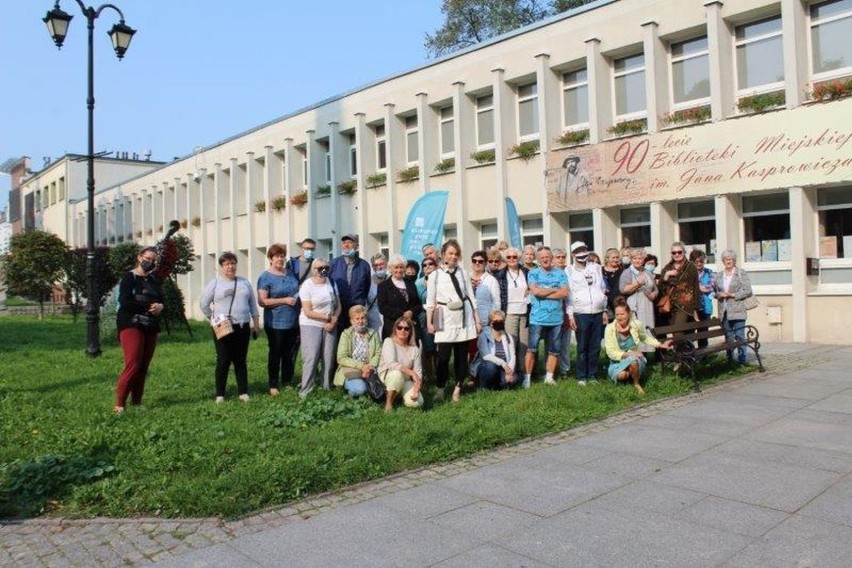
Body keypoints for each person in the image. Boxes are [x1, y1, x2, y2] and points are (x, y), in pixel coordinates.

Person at [200, 252, 260, 403]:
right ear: (221, 266)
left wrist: (256, 323)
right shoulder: (215, 283)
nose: (230, 267)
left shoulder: (244, 282)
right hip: (223, 325)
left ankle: (243, 391)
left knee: (240, 359)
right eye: (227, 264)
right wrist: (213, 318)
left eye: (233, 263)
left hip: (242, 326)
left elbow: (253, 303)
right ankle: (220, 394)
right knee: (223, 360)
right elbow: (204, 304)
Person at [426, 239, 481, 402]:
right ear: (443, 255)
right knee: (443, 357)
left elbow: (471, 297)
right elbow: (430, 301)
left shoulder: (463, 273)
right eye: (451, 253)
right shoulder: (434, 275)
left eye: (456, 254)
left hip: (463, 317)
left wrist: (477, 320)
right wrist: (430, 322)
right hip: (445, 318)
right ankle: (441, 388)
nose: (454, 256)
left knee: (461, 356)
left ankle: (458, 388)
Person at [113, 246, 165, 414]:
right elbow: (125, 301)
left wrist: (160, 306)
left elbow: (161, 299)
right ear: (140, 257)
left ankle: (137, 402)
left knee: (143, 365)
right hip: (130, 323)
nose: (150, 262)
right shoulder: (129, 277)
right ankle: (120, 404)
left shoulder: (153, 279)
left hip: (150, 324)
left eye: (153, 260)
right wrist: (148, 306)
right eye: (148, 258)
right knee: (133, 363)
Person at [256, 243, 300, 395]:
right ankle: (273, 384)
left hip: (293, 322)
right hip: (275, 323)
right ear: (270, 258)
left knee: (289, 354)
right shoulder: (265, 277)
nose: (280, 259)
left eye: (282, 256)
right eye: (277, 256)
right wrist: (284, 300)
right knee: (276, 353)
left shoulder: (291, 273)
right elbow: (262, 301)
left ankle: (287, 381)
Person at [605, 297, 672, 394]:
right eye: (617, 314)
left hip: (636, 359)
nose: (620, 317)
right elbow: (610, 352)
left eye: (622, 314)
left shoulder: (636, 325)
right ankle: (629, 375)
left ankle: (636, 384)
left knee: (634, 360)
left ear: (628, 314)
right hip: (617, 361)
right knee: (622, 376)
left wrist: (660, 345)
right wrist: (630, 353)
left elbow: (645, 338)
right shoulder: (609, 329)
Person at [525, 246, 569, 388]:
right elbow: (536, 292)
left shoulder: (560, 273)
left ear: (551, 258)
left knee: (554, 350)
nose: (545, 259)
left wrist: (545, 291)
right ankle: (527, 378)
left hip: (556, 318)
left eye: (547, 257)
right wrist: (554, 289)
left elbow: (564, 293)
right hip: (537, 318)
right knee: (532, 349)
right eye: (542, 257)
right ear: (538, 259)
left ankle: (549, 377)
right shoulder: (533, 273)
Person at [565, 241, 608, 386]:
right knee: (582, 346)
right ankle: (581, 376)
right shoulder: (569, 271)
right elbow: (569, 295)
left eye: (584, 249)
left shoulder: (596, 267)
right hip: (580, 312)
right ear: (573, 254)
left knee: (595, 346)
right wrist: (570, 315)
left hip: (597, 311)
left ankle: (593, 375)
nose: (582, 253)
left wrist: (604, 309)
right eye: (578, 251)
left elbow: (602, 289)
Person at [298, 259, 342, 397]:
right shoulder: (307, 285)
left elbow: (338, 305)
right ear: (313, 269)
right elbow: (308, 311)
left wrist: (334, 320)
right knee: (311, 357)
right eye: (319, 268)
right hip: (311, 323)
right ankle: (306, 390)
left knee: (328, 357)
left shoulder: (331, 282)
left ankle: (325, 387)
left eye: (326, 267)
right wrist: (328, 318)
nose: (323, 270)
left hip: (330, 323)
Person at [714, 249, 754, 365]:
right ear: (723, 261)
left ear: (734, 260)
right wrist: (719, 295)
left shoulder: (741, 273)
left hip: (738, 310)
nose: (728, 261)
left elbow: (748, 291)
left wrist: (733, 295)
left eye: (730, 259)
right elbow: (715, 291)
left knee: (740, 336)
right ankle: (730, 360)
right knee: (729, 337)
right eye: (726, 259)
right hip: (724, 311)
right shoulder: (719, 275)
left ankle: (742, 361)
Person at [333, 305, 381, 397]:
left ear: (366, 319)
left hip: (370, 370)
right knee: (360, 389)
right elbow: (341, 358)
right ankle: (350, 393)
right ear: (351, 321)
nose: (360, 321)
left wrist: (369, 367)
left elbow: (378, 353)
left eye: (363, 318)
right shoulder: (346, 334)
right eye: (357, 318)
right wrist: (362, 366)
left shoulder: (373, 333)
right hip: (352, 370)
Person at [495, 247, 529, 374]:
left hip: (525, 313)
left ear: (519, 257)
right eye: (508, 257)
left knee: (524, 346)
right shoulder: (500, 275)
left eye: (514, 257)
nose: (512, 259)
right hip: (509, 313)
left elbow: (532, 288)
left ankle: (524, 373)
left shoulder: (526, 272)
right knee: (511, 345)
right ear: (505, 259)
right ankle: (510, 373)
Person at [378, 316, 424, 411]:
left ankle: (397, 394)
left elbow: (418, 372)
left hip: (406, 380)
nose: (403, 330)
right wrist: (411, 373)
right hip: (389, 375)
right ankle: (389, 403)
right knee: (397, 375)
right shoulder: (389, 341)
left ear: (410, 331)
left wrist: (416, 388)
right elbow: (391, 363)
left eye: (406, 328)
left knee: (417, 403)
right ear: (395, 329)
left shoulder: (414, 349)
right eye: (400, 327)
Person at [328, 234, 371, 332]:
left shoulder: (364, 265)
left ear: (357, 245)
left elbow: (366, 287)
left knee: (356, 336)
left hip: (356, 309)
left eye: (350, 242)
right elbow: (328, 284)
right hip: (338, 309)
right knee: (339, 338)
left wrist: (361, 302)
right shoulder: (333, 264)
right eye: (344, 243)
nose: (346, 245)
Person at [618, 248, 659, 351]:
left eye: (640, 258)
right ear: (631, 259)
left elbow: (655, 289)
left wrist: (653, 295)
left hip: (647, 307)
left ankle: (645, 360)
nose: (637, 261)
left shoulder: (647, 273)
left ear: (643, 260)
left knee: (646, 332)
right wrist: (637, 284)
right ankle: (635, 361)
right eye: (635, 258)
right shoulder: (627, 273)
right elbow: (623, 290)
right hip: (634, 307)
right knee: (635, 333)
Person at [377, 253, 423, 339]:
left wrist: (411, 312)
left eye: (401, 267)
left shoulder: (410, 283)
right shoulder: (383, 286)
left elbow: (418, 304)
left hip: (411, 328)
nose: (399, 270)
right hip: (393, 328)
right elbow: (383, 308)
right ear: (390, 269)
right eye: (396, 267)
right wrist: (402, 314)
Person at [470, 310, 516, 389]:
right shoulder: (484, 335)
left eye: (501, 321)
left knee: (512, 380)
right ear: (491, 323)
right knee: (490, 367)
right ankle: (482, 386)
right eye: (496, 321)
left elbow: (512, 355)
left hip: (503, 368)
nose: (499, 322)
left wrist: (510, 371)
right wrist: (504, 364)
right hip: (487, 365)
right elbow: (486, 356)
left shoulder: (508, 337)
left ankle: (495, 385)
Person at [658, 241, 700, 326]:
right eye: (674, 253)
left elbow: (696, 288)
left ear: (684, 252)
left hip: (686, 306)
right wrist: (666, 276)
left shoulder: (691, 267)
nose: (677, 254)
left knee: (678, 331)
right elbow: (661, 288)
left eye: (679, 252)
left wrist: (696, 309)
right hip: (670, 305)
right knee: (676, 332)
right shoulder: (667, 268)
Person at [415, 257, 439, 381]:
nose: (428, 266)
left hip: (440, 316)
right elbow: (415, 302)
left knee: (440, 348)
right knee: (428, 348)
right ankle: (429, 376)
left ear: (436, 266)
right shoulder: (418, 284)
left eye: (431, 264)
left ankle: (440, 373)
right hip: (424, 319)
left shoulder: (442, 280)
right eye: (425, 265)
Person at [469, 250, 500, 326]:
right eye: (474, 261)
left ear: (485, 263)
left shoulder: (491, 280)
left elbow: (496, 303)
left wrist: (492, 319)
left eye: (480, 261)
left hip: (485, 321)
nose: (477, 263)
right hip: (469, 321)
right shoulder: (466, 278)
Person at [691, 250, 715, 349]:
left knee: (703, 332)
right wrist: (701, 288)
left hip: (705, 306)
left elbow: (712, 286)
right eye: (696, 262)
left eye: (701, 261)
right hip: (692, 308)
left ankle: (703, 355)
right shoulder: (689, 273)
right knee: (691, 332)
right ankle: (690, 355)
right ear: (692, 262)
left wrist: (700, 288)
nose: (699, 264)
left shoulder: (709, 272)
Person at [366, 253, 387, 334]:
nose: (379, 267)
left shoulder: (391, 279)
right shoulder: (368, 281)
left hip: (387, 317)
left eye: (381, 264)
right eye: (375, 265)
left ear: (386, 264)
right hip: (372, 318)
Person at [602, 247, 624, 316]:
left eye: (617, 257)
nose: (615, 260)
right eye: (613, 258)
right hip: (605, 304)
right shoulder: (600, 270)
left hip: (619, 303)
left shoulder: (622, 271)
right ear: (607, 258)